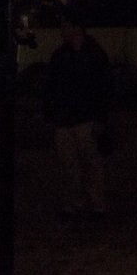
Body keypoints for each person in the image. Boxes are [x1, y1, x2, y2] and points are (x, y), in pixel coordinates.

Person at [41, 17, 113, 218]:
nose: (61, 31)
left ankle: (94, 203)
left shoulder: (93, 54)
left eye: (65, 27)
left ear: (76, 28)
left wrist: (100, 118)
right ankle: (76, 202)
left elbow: (104, 88)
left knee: (90, 162)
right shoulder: (61, 55)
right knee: (70, 164)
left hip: (84, 117)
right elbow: (51, 88)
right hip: (66, 118)